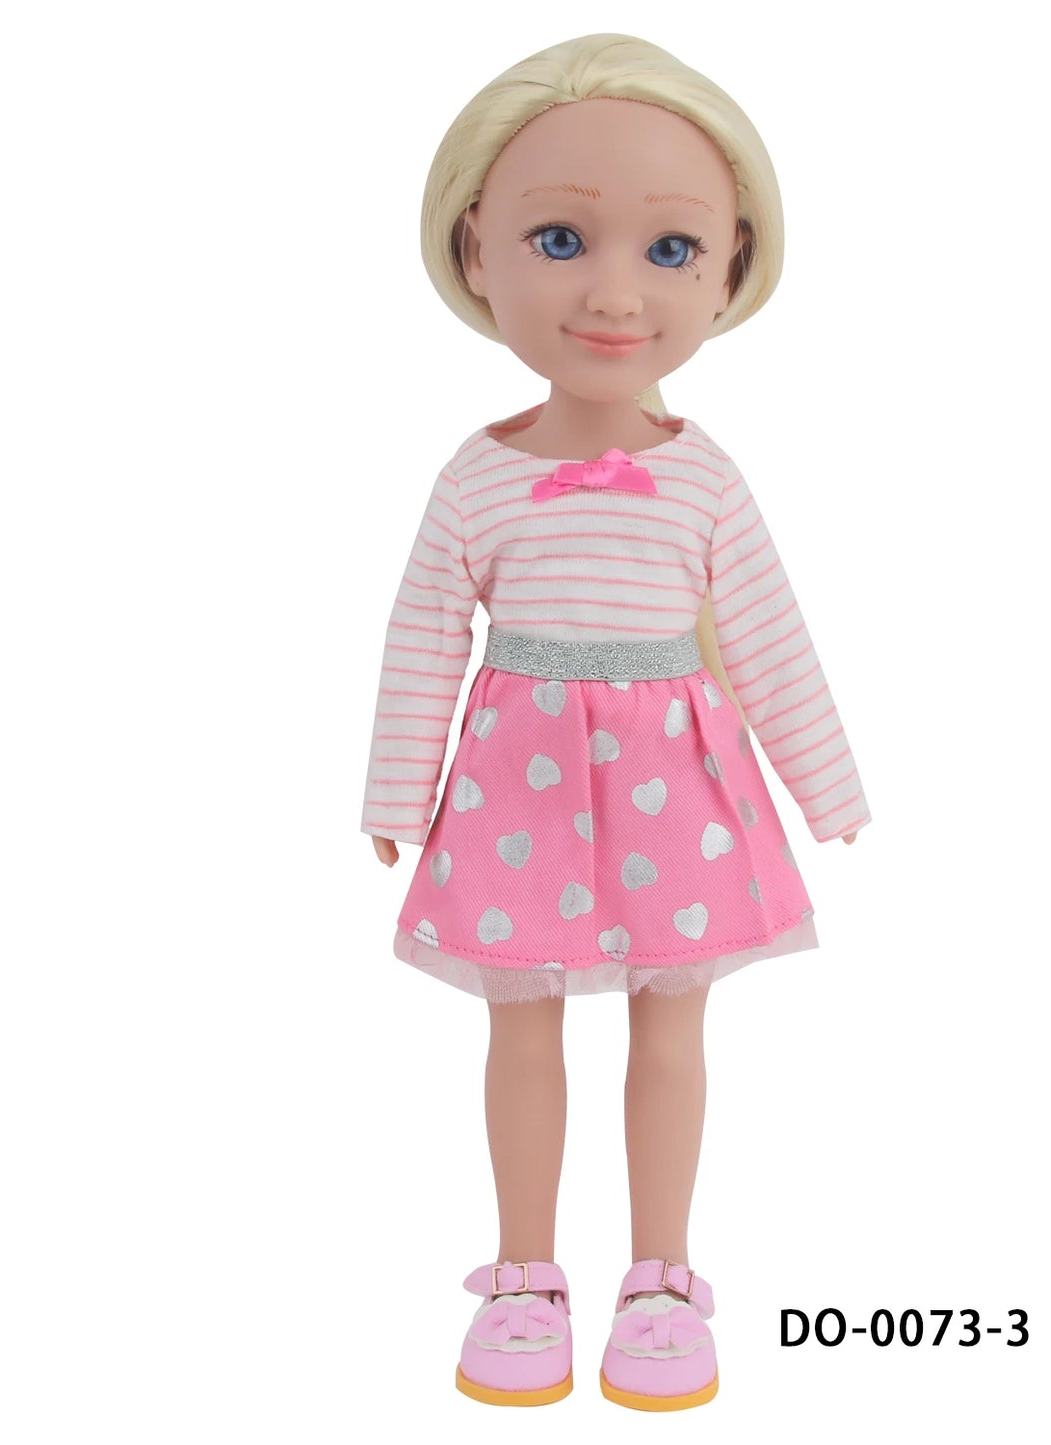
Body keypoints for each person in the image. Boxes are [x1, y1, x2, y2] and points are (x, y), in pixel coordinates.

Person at [360, 32, 871, 1410]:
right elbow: (424, 634)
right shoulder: (476, 476)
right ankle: (526, 1276)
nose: (610, 292)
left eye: (668, 250)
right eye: (557, 238)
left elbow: (767, 638)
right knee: (520, 1031)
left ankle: (660, 1276)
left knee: (671, 1031)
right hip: (517, 791)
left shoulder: (704, 478)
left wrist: (827, 788)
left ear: (728, 267)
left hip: (676, 787)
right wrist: (397, 792)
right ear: (477, 248)